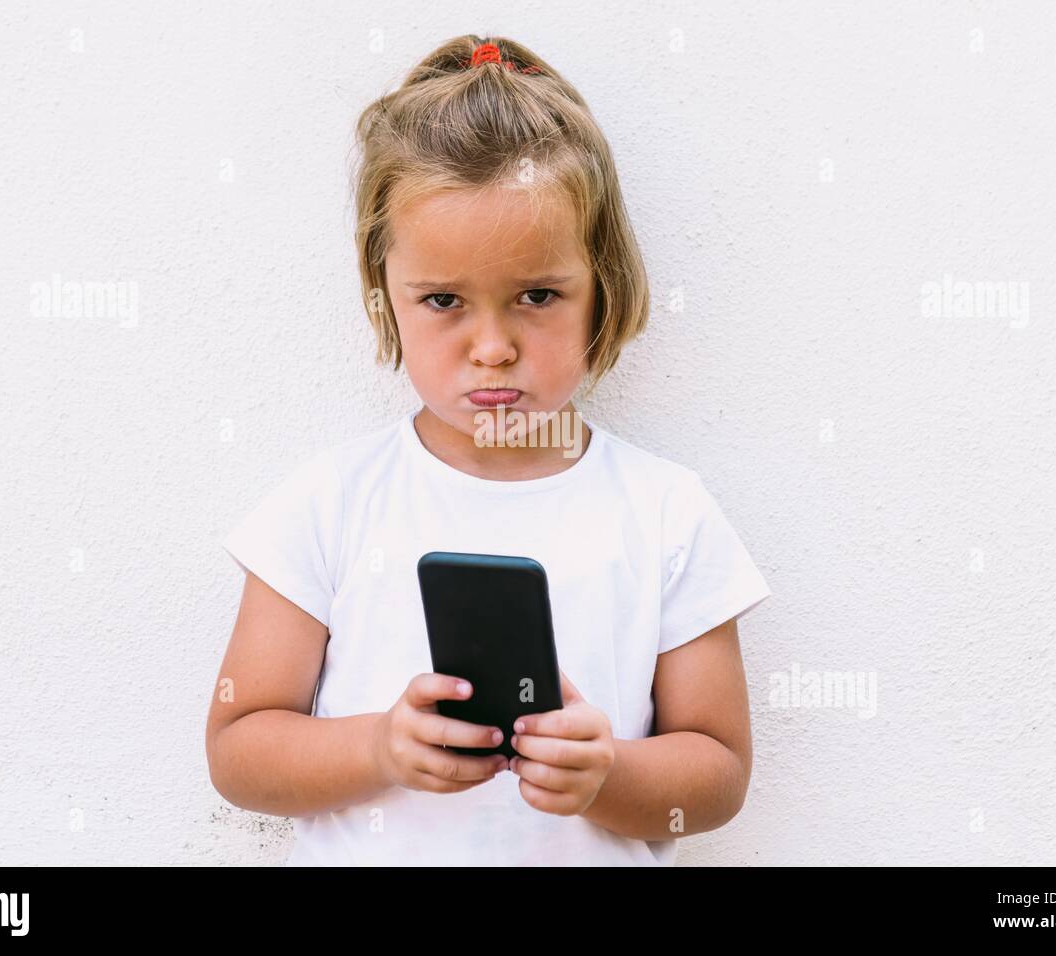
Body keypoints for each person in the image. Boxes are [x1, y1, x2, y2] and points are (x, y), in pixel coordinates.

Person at [205, 35, 772, 865]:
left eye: (537, 295)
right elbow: (239, 748)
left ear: (602, 288)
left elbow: (717, 772)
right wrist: (378, 749)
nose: (493, 347)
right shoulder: (329, 501)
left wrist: (607, 773)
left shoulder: (665, 511)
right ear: (385, 294)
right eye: (443, 300)